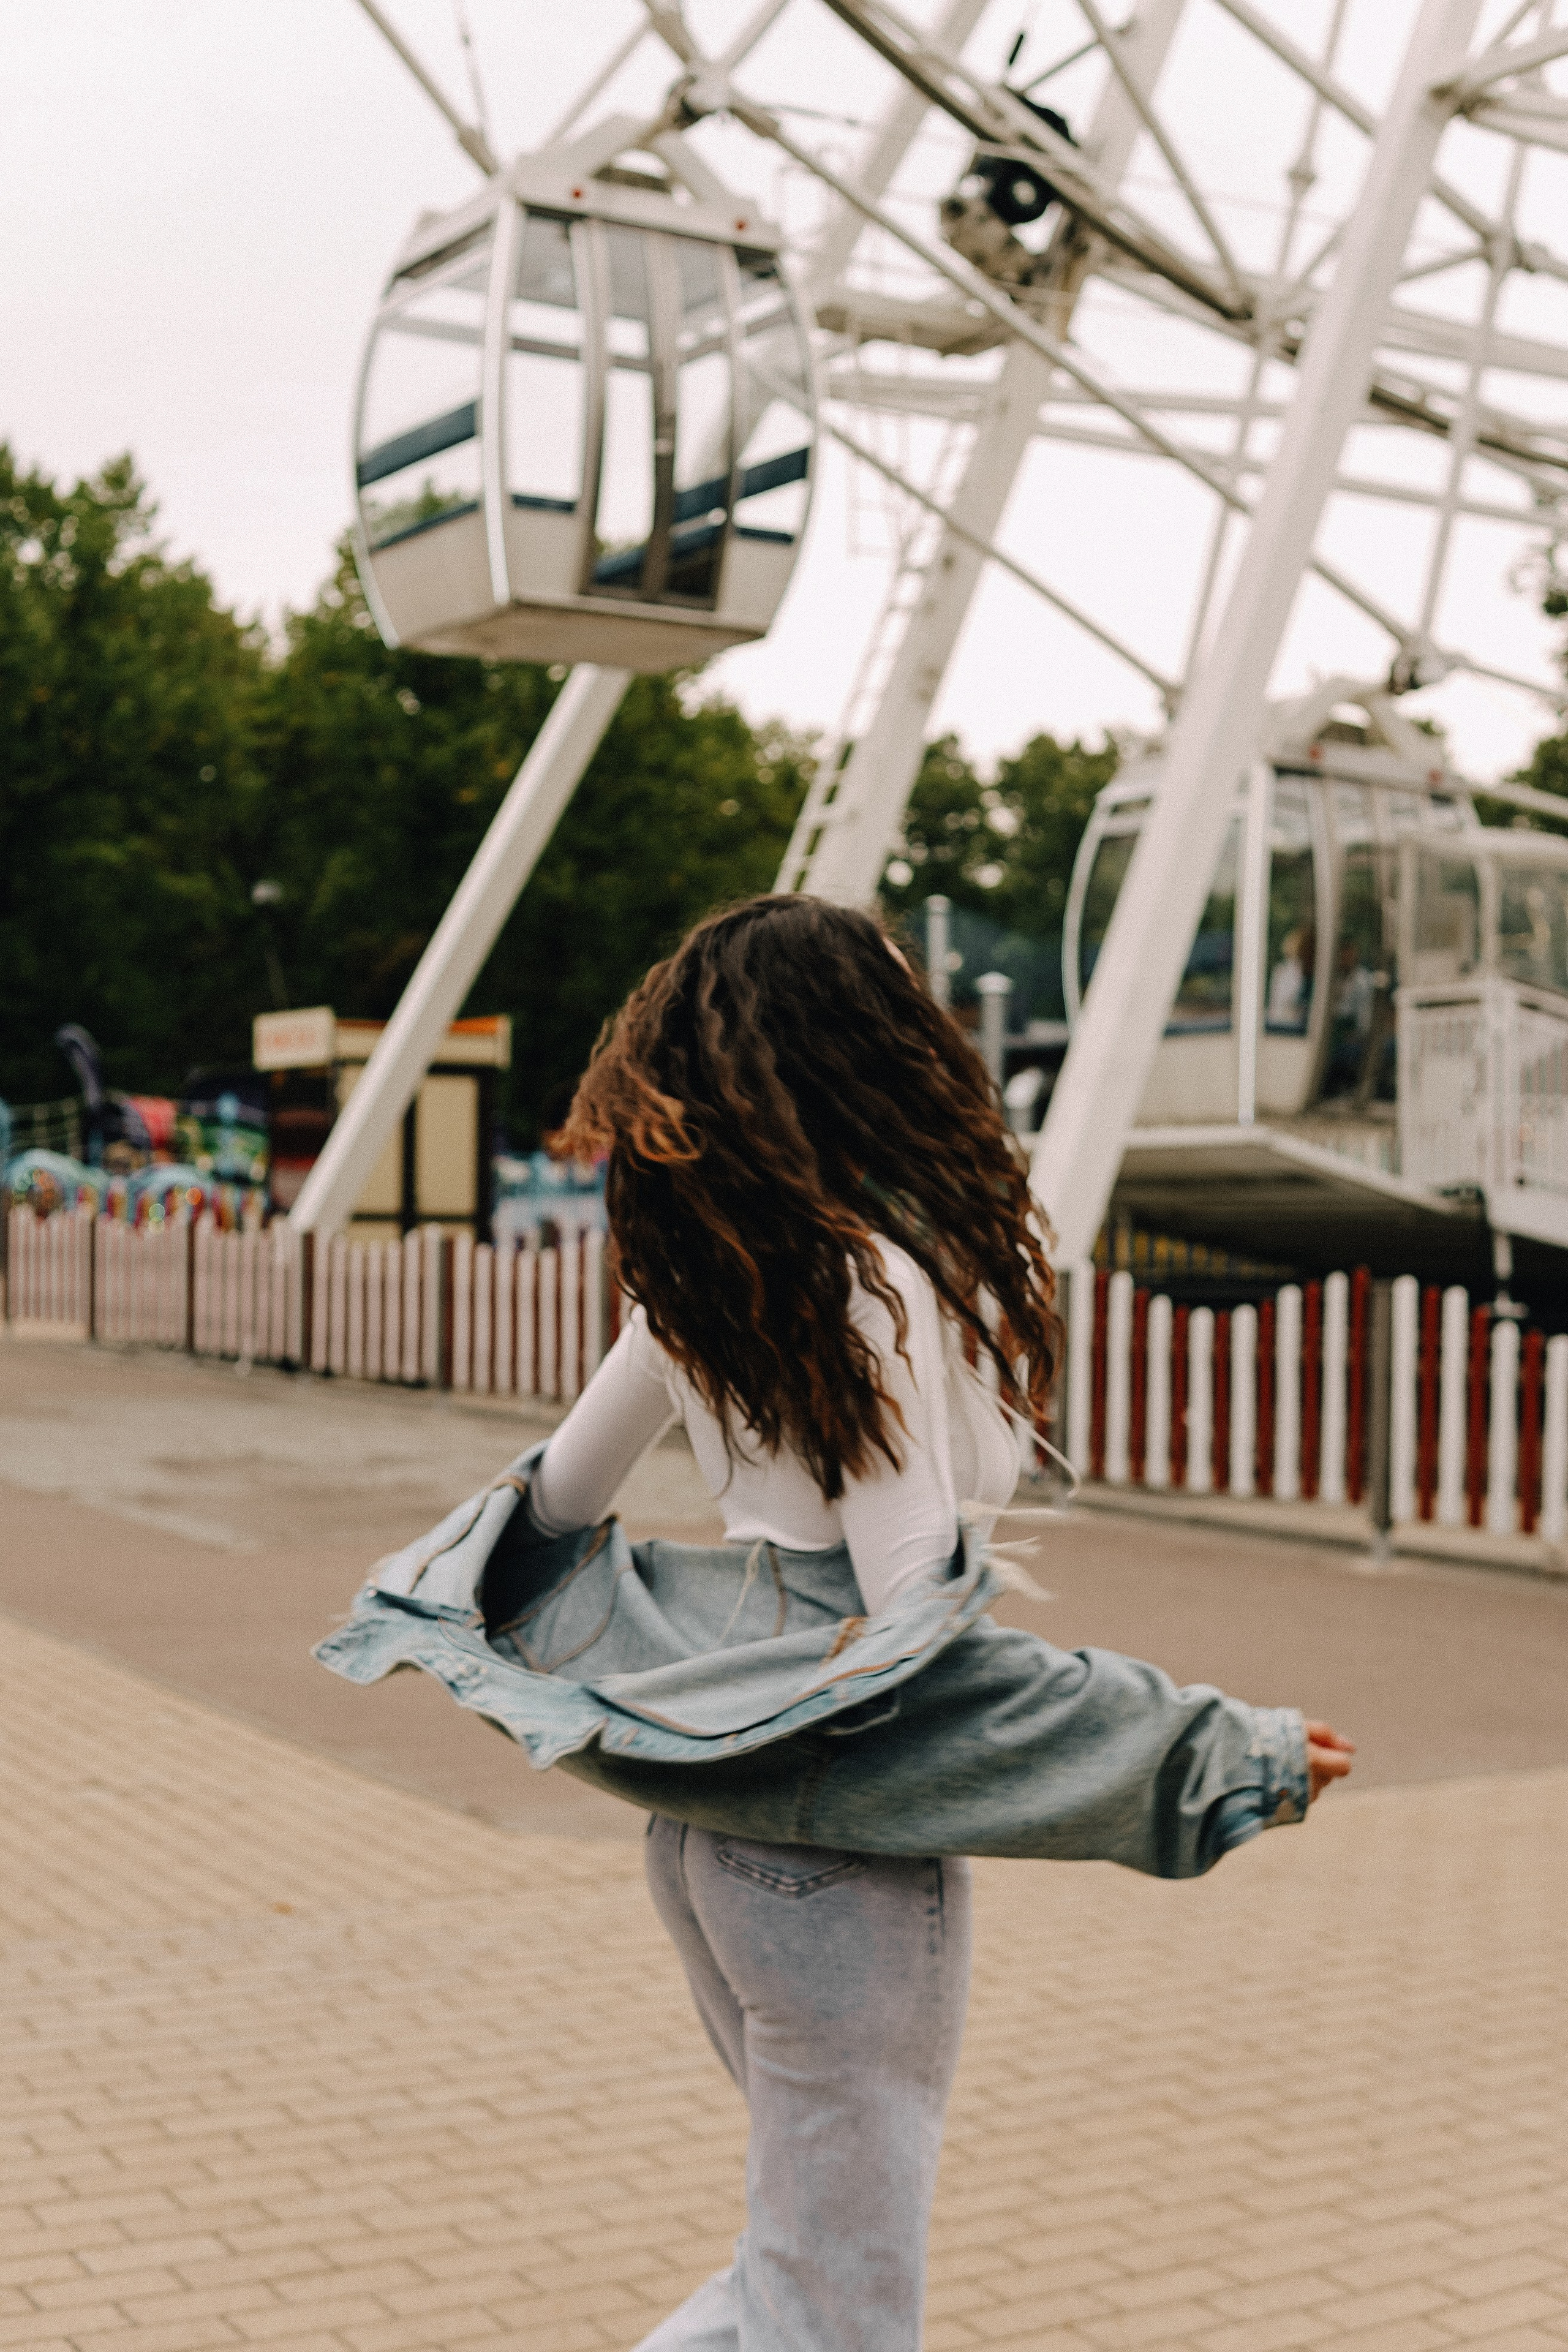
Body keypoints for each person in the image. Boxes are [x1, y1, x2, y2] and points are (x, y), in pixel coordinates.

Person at [318, 894, 1352, 2352]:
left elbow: (543, 1515)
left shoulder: (698, 1286)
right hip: (828, 1861)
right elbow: (910, 1629)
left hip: (705, 1833)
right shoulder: (868, 1280)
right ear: (864, 1046)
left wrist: (555, 1659)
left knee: (793, 2270)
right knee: (838, 2307)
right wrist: (1206, 1753)